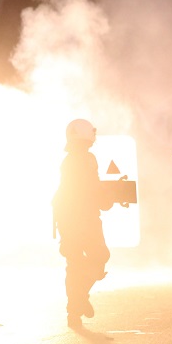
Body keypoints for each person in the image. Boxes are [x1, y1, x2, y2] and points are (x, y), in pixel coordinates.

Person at [51, 119, 111, 329]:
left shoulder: (80, 160)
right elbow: (89, 189)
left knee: (77, 264)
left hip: (72, 219)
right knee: (92, 260)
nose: (90, 145)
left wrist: (105, 198)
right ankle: (76, 304)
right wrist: (106, 199)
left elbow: (91, 188)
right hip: (80, 220)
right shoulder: (81, 161)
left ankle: (76, 305)